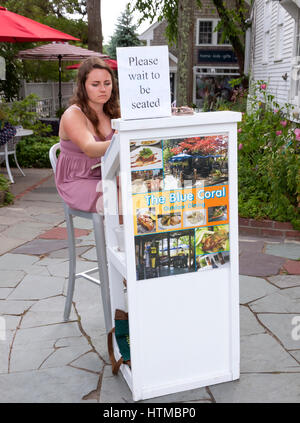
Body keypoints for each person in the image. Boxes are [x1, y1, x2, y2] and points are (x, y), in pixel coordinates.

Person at [55, 57, 120, 213]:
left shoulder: (114, 112)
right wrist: (124, 140)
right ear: (83, 87)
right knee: (120, 199)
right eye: (95, 84)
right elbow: (90, 149)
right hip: (78, 180)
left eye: (107, 83)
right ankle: (115, 237)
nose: (103, 89)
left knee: (145, 189)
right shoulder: (73, 115)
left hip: (109, 174)